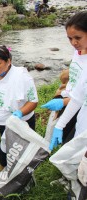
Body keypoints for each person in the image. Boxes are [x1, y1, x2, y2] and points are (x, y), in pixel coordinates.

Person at [46, 11, 87, 190]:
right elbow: (78, 95)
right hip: (80, 116)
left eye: (77, 37)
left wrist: (64, 103)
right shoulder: (79, 52)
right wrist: (60, 125)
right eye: (70, 38)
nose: (73, 43)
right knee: (71, 149)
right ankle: (71, 181)